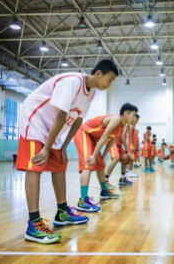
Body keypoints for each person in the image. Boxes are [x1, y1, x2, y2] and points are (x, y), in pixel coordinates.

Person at [17, 59, 118, 244]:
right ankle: (33, 224)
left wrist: (63, 147)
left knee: (60, 164)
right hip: (35, 118)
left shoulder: (92, 92)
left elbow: (78, 121)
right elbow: (61, 115)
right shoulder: (72, 81)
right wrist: (47, 148)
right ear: (99, 73)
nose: (110, 84)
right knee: (36, 163)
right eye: (110, 79)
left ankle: (62, 212)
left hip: (52, 127)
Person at [74, 103, 138, 212]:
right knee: (88, 164)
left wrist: (102, 157)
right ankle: (83, 200)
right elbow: (104, 136)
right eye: (133, 115)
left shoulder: (121, 126)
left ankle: (104, 191)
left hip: (92, 138)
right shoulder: (116, 119)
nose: (134, 118)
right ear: (126, 114)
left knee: (100, 165)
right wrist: (94, 155)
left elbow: (110, 141)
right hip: (83, 133)